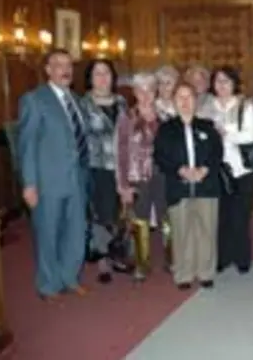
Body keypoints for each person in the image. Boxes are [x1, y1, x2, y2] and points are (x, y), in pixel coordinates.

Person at [17, 49, 90, 301]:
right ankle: (48, 284)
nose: (65, 69)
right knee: (48, 232)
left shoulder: (78, 101)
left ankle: (69, 277)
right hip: (48, 180)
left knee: (76, 230)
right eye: (58, 64)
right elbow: (26, 145)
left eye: (68, 64)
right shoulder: (34, 100)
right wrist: (29, 184)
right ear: (47, 70)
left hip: (77, 179)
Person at [154, 82, 224, 290]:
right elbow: (160, 156)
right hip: (179, 186)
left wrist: (204, 170)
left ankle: (206, 272)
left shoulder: (208, 127)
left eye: (189, 97)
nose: (185, 102)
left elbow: (217, 153)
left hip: (206, 185)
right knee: (182, 231)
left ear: (196, 101)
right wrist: (180, 170)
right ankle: (183, 274)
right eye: (180, 98)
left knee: (206, 230)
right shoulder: (166, 130)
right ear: (174, 102)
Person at [200, 66, 253, 275]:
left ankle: (242, 258)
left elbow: (252, 135)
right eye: (218, 81)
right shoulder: (207, 107)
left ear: (234, 83)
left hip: (241, 169)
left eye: (226, 81)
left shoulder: (245, 106)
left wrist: (227, 134)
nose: (222, 86)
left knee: (240, 215)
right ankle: (222, 257)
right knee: (220, 216)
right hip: (216, 169)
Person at [115, 72, 167, 282]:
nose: (145, 94)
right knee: (139, 220)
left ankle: (171, 260)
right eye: (141, 90)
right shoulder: (126, 117)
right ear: (135, 92)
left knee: (167, 218)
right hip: (137, 176)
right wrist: (123, 185)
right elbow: (120, 153)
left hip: (163, 175)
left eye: (150, 89)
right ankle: (141, 264)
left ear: (156, 92)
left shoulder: (165, 115)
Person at [79, 59, 128, 284]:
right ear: (89, 78)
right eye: (97, 73)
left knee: (122, 211)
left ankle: (119, 253)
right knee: (102, 213)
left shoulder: (122, 102)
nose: (102, 78)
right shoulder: (82, 104)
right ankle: (103, 261)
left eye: (106, 73)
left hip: (123, 165)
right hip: (97, 165)